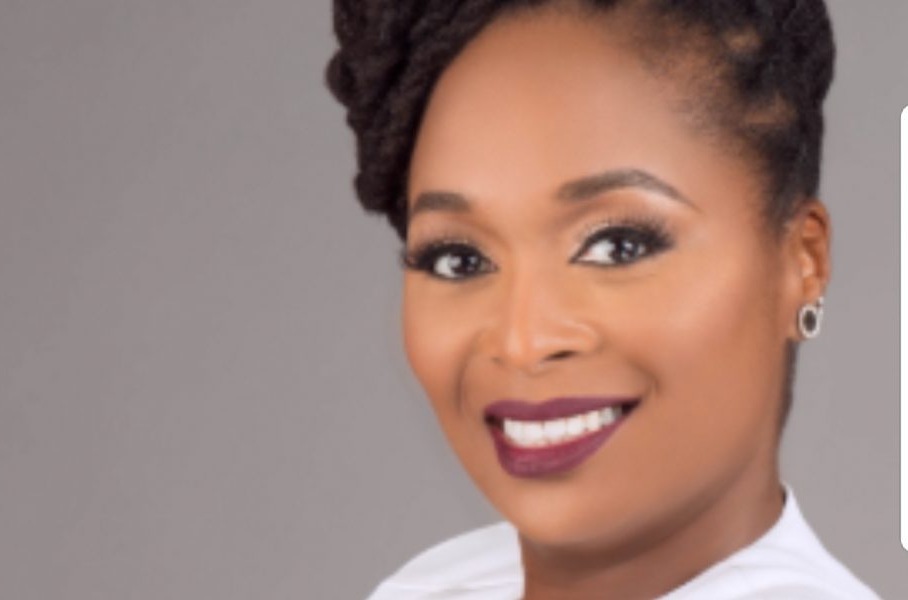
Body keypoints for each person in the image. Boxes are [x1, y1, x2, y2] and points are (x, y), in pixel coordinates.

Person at [326, 1, 882, 598]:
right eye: (458, 259)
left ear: (802, 262)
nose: (523, 341)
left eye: (619, 246)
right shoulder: (438, 586)